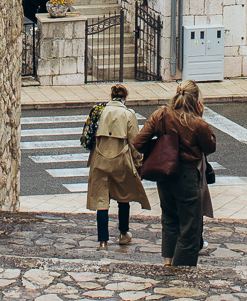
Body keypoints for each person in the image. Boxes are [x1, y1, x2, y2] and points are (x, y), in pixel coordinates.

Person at [133, 79, 219, 268]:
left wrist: (160, 147)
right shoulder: (197, 123)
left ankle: (168, 262)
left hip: (165, 173)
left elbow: (138, 142)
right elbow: (209, 147)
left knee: (169, 218)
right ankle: (180, 270)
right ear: (196, 100)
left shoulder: (161, 115)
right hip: (187, 175)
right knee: (190, 226)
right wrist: (201, 118)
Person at [84, 84, 149, 248]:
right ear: (124, 98)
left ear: (111, 96)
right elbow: (134, 143)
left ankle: (103, 241)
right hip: (121, 160)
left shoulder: (99, 111)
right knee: (123, 197)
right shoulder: (128, 114)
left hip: (100, 159)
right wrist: (139, 164)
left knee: (101, 200)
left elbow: (88, 136)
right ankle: (123, 233)